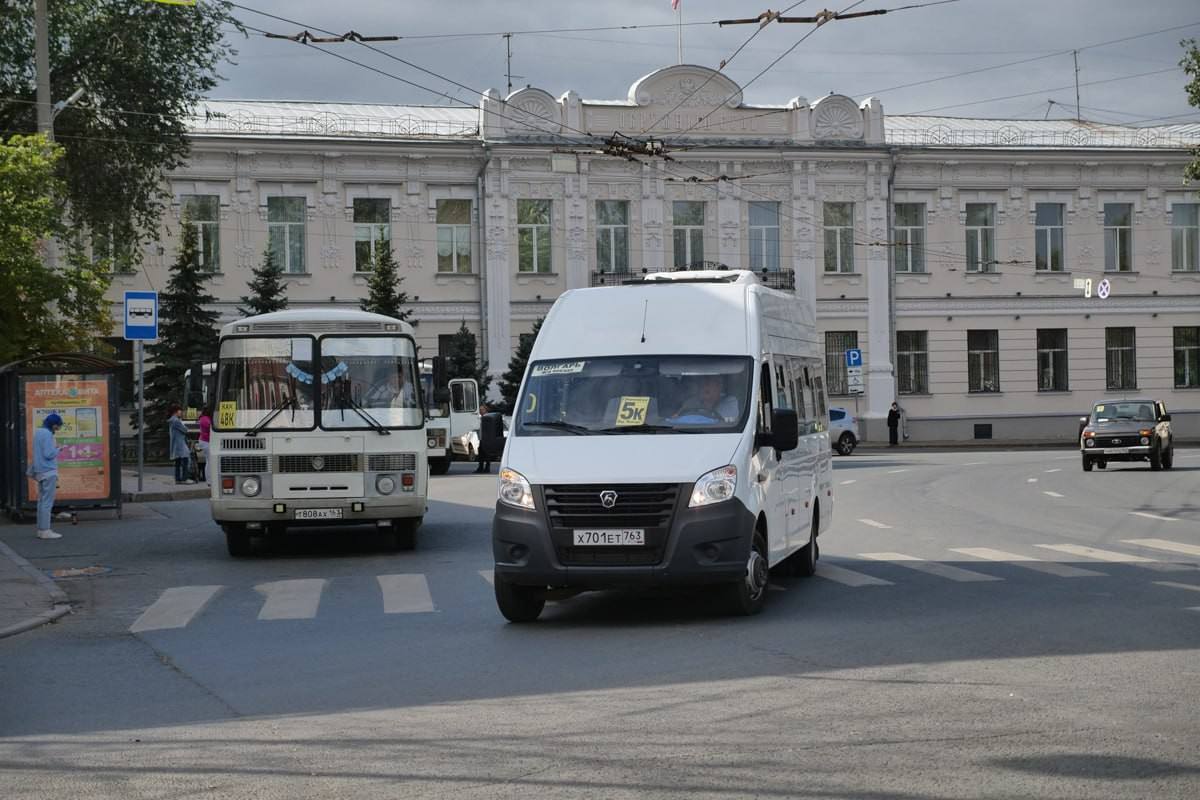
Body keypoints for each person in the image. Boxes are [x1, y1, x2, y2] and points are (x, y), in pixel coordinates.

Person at [29, 413, 65, 540]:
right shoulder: (48, 434)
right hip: (49, 471)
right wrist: (59, 449)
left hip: (39, 470)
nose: (58, 428)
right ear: (54, 424)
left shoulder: (38, 432)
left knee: (41, 501)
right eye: (58, 426)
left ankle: (41, 529)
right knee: (47, 503)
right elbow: (49, 454)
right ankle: (45, 531)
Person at [673, 374, 738, 422]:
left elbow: (724, 423)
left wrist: (707, 404)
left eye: (708, 383)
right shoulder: (691, 401)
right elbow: (676, 418)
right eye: (702, 384)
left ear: (719, 387)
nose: (704, 387)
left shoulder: (729, 402)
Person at [168, 404, 195, 485]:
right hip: (180, 444)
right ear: (176, 411)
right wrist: (186, 428)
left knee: (178, 463)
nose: (181, 412)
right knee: (185, 461)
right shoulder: (176, 421)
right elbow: (185, 430)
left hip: (176, 444)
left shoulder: (172, 420)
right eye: (180, 411)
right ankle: (184, 478)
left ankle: (178, 479)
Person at [196, 406, 212, 484]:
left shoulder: (203, 418)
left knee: (208, 461)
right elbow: (210, 428)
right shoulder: (205, 419)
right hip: (206, 442)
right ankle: (209, 480)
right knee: (209, 461)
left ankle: (209, 480)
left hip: (204, 441)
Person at [475, 403, 492, 473]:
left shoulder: (488, 418)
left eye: (482, 410)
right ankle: (480, 467)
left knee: (487, 454)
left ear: (486, 410)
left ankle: (487, 468)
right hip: (481, 439)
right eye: (480, 410)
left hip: (487, 439)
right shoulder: (480, 418)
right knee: (481, 454)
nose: (480, 411)